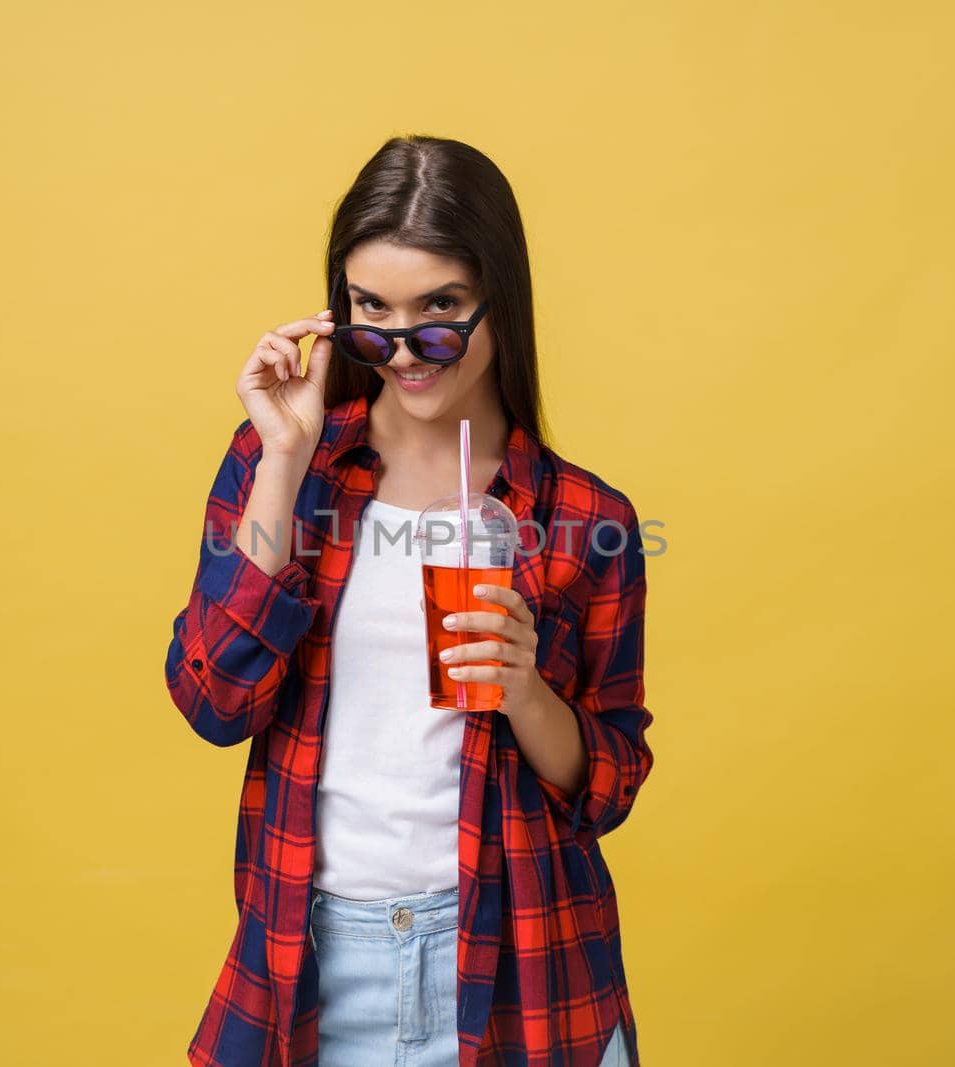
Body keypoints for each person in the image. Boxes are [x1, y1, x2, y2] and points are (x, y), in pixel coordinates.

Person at [166, 134, 654, 1067]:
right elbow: (215, 702)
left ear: (497, 304)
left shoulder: (585, 517)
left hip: (524, 964)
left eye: (441, 311)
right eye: (371, 313)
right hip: (314, 965)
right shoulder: (287, 464)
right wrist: (284, 458)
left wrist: (526, 690)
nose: (405, 350)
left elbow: (611, 780)